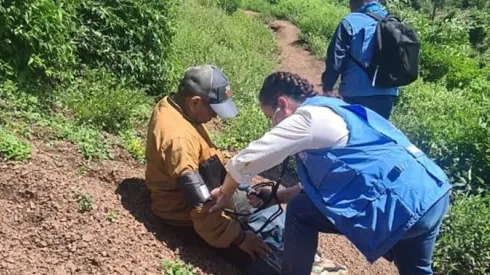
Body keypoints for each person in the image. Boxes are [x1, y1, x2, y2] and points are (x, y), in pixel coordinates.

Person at [210, 71, 452, 275]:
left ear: (282, 104)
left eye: (270, 118)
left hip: (399, 204)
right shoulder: (335, 110)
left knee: (300, 213)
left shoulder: (308, 118)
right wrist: (279, 196)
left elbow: (249, 158)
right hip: (431, 192)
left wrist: (225, 191)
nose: (273, 125)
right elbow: (338, 179)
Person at [144, 64, 284, 274]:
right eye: (214, 110)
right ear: (195, 102)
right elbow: (201, 207)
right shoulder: (179, 140)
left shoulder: (176, 107)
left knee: (269, 211)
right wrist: (240, 238)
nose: (216, 117)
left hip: (210, 191)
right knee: (264, 260)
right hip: (188, 218)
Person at [321, 0, 399, 119]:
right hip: (387, 94)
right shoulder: (393, 22)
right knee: (376, 133)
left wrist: (327, 87)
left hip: (355, 92)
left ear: (352, 3)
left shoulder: (350, 22)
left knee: (355, 133)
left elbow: (335, 60)